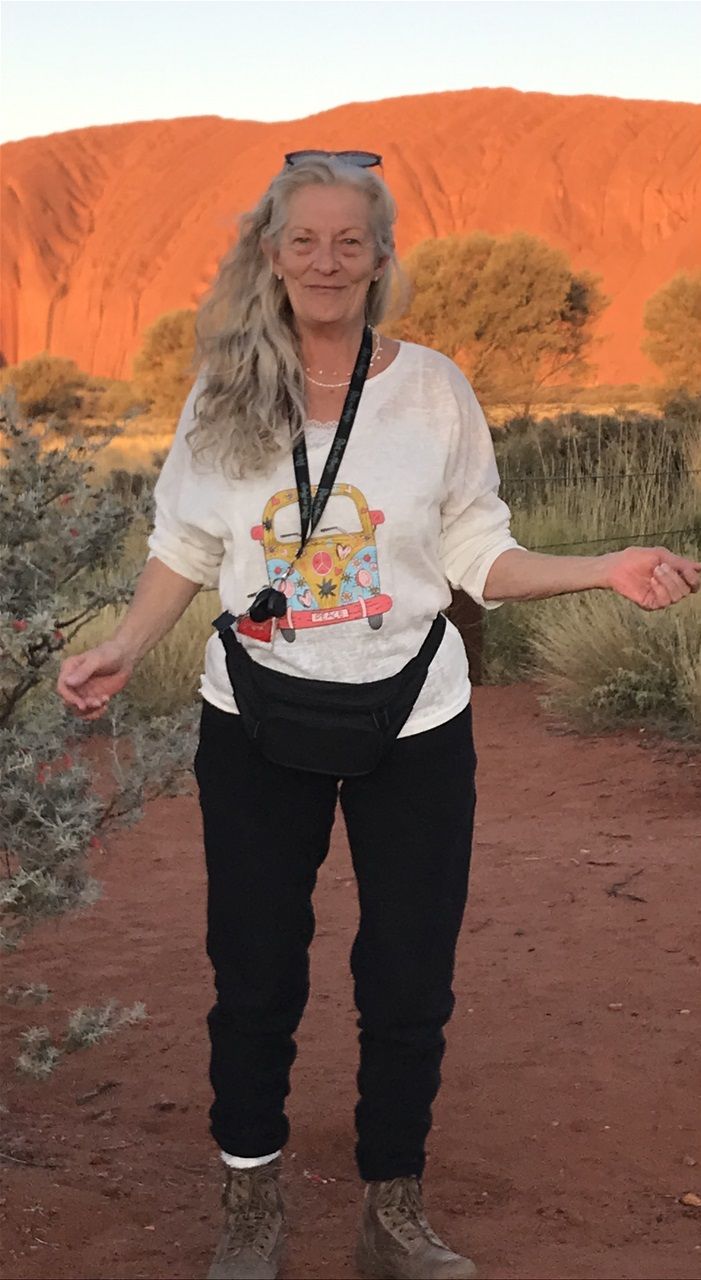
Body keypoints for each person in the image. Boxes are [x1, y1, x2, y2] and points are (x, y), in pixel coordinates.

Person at [57, 152, 700, 1280]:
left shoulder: (432, 389)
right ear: (271, 252)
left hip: (413, 714)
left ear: (379, 256)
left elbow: (476, 552)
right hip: (252, 714)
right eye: (302, 239)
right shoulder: (223, 392)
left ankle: (390, 1206)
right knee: (254, 966)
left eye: (347, 241)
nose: (324, 260)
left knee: (407, 973)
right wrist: (120, 643)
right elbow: (188, 547)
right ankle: (250, 1198)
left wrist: (604, 564)